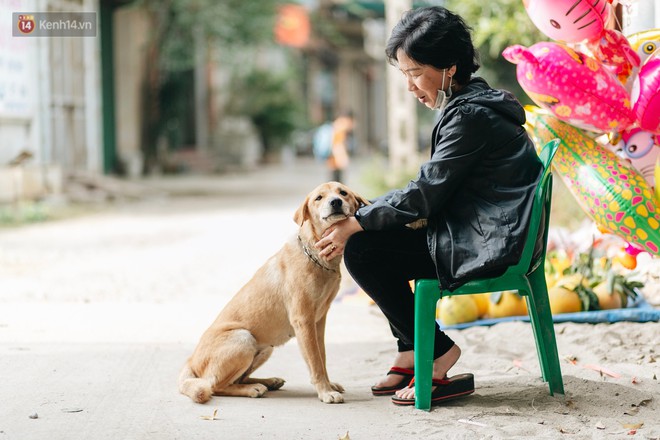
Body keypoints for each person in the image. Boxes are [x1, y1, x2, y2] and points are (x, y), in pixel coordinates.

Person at [314, 6, 544, 406]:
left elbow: (426, 191)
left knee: (363, 250)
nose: (410, 86)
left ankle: (437, 353)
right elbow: (429, 186)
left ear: (449, 67)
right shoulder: (470, 103)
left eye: (415, 72)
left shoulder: (470, 115)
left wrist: (359, 222)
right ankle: (410, 350)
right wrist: (367, 216)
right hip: (485, 230)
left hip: (489, 243)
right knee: (373, 235)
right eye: (405, 74)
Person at [327, 111, 354, 183]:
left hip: (332, 161)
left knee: (333, 183)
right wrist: (343, 159)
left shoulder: (335, 125)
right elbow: (338, 145)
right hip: (336, 162)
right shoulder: (340, 128)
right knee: (337, 186)